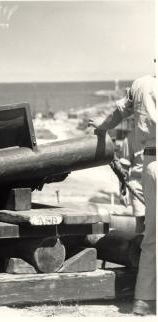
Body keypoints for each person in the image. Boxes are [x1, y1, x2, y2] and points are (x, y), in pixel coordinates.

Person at [88, 73, 157, 315]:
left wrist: (101, 126)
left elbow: (119, 111)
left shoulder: (141, 84)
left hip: (150, 163)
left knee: (151, 237)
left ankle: (144, 301)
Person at [118, 116, 145, 233]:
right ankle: (141, 250)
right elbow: (123, 167)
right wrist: (122, 191)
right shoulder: (130, 139)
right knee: (141, 223)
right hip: (138, 187)